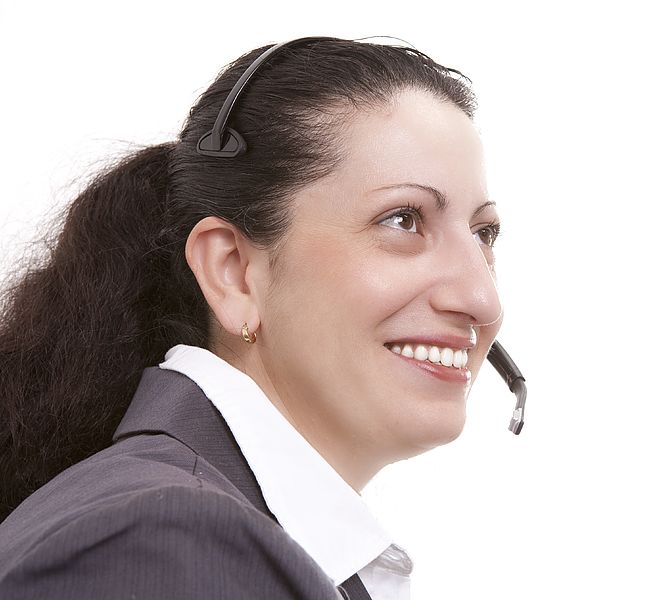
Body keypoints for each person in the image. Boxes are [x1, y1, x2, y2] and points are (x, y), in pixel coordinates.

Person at [0, 36, 504, 599]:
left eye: (484, 234)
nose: (482, 300)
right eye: (403, 220)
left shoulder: (195, 532)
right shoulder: (166, 544)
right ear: (234, 272)